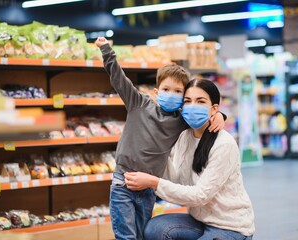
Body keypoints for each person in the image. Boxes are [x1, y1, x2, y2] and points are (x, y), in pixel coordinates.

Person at [95, 37, 226, 240]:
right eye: (166, 89)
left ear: (183, 98)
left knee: (142, 234)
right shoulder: (138, 103)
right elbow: (118, 79)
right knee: (126, 236)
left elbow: (201, 115)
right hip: (123, 182)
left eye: (177, 91)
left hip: (148, 188)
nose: (170, 94)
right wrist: (106, 51)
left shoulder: (181, 119)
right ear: (156, 92)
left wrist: (219, 115)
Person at [124, 78, 255, 240]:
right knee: (154, 229)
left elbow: (201, 195)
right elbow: (176, 180)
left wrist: (153, 182)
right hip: (199, 220)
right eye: (188, 101)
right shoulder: (184, 136)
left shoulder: (224, 144)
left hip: (231, 227)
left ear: (214, 109)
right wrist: (156, 151)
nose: (193, 106)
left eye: (200, 101)